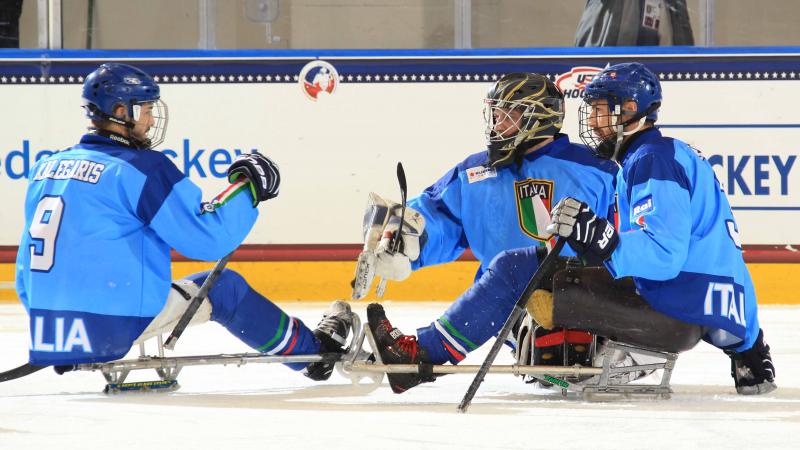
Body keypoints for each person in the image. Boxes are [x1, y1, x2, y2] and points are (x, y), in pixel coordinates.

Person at [15, 63, 352, 382]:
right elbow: (208, 239)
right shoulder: (141, 168)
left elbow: (27, 266)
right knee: (226, 289)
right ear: (120, 112)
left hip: (47, 325)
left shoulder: (46, 168)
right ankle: (312, 357)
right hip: (114, 321)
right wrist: (249, 189)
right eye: (144, 109)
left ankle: (77, 343)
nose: (149, 119)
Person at [361, 72, 618, 393]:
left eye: (509, 114)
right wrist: (409, 243)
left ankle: (421, 355)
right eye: (495, 114)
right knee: (505, 278)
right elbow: (437, 216)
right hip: (510, 308)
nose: (497, 124)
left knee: (513, 271)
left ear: (539, 116)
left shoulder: (598, 169)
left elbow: (623, 240)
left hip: (585, 298)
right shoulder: (475, 171)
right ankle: (534, 347)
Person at [544, 62, 776, 395]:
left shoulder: (651, 159)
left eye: (599, 109)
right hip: (697, 309)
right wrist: (748, 345)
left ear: (630, 109)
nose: (592, 122)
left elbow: (664, 254)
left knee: (553, 275)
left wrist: (600, 237)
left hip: (672, 309)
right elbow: (726, 264)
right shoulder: (671, 153)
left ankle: (560, 354)